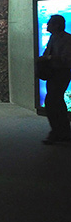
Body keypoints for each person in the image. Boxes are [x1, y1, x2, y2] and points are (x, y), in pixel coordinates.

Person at [39, 15, 71, 145]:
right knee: (57, 102)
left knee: (52, 101)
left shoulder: (67, 39)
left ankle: (59, 132)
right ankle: (62, 132)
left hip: (61, 73)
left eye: (50, 23)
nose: (47, 25)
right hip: (53, 73)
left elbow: (66, 59)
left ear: (57, 25)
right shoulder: (53, 37)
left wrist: (48, 59)